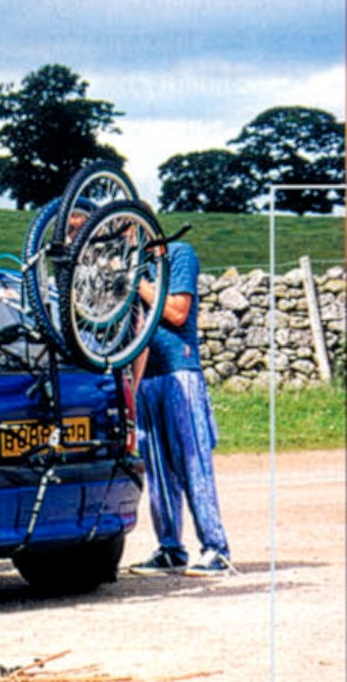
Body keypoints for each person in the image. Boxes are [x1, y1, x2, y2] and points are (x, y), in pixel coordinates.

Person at [128, 240, 234, 577]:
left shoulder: (177, 254)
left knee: (193, 462)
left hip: (180, 371)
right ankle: (170, 548)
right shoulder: (134, 264)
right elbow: (137, 333)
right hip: (149, 379)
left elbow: (177, 312)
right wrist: (133, 388)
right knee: (158, 470)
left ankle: (216, 548)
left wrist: (137, 283)